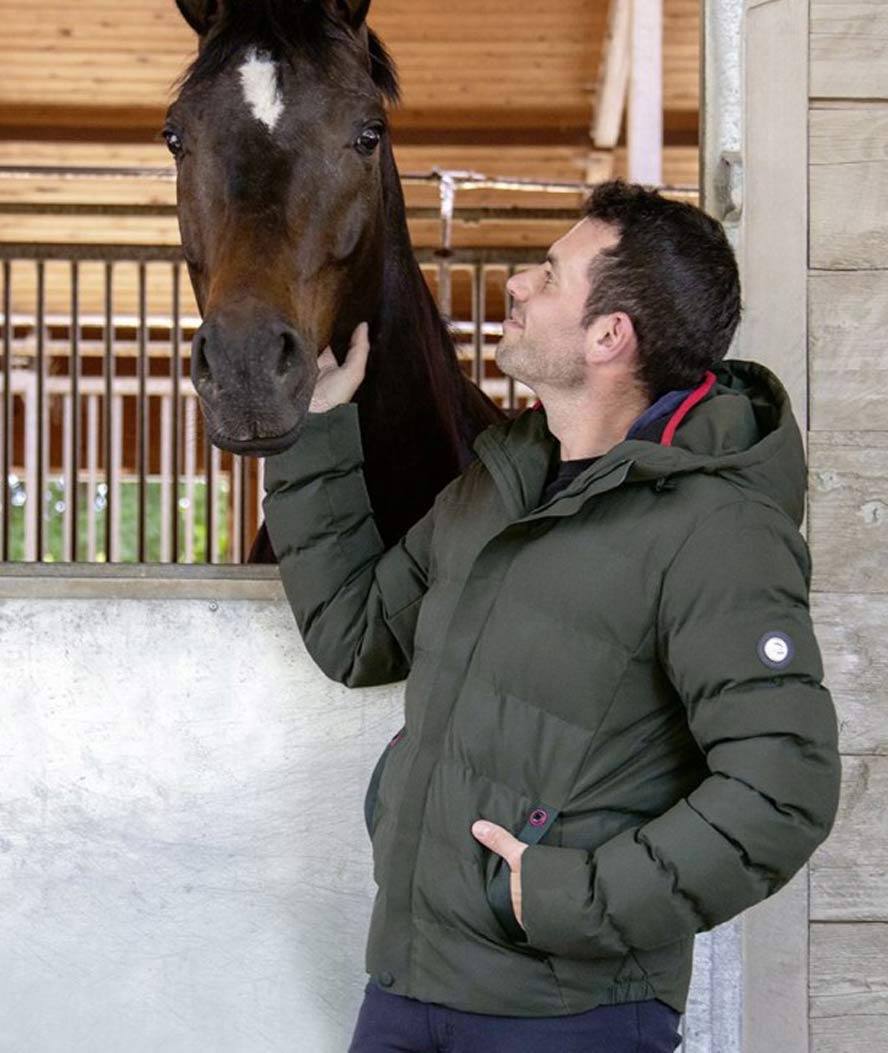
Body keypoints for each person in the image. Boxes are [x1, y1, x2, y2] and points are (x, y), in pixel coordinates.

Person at [261, 180, 841, 1053]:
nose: (519, 289)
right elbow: (358, 634)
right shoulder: (500, 480)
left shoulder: (720, 530)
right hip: (408, 983)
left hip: (571, 1018)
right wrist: (315, 426)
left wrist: (570, 893)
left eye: (547, 274)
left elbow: (783, 787)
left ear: (611, 336)